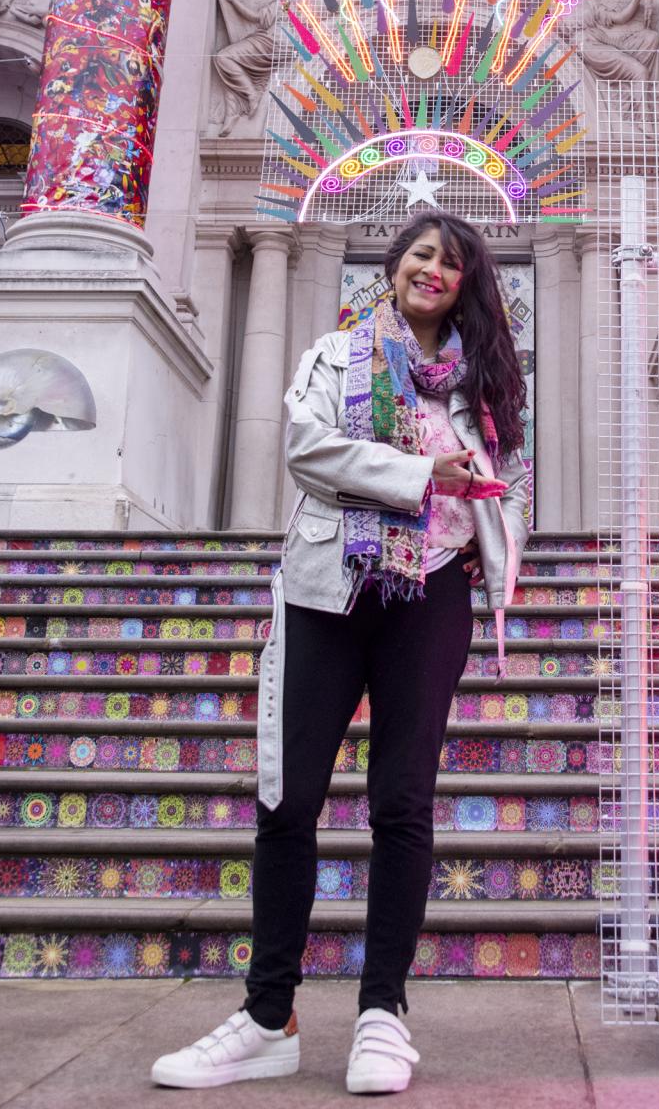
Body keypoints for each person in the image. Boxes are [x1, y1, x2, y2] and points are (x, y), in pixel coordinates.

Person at [152, 211, 530, 1095]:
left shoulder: (480, 388)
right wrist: (423, 479)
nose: (433, 271)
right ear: (393, 266)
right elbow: (306, 450)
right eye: (421, 254)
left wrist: (489, 534)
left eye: (452, 263)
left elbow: (507, 491)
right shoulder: (333, 355)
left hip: (431, 595)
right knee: (289, 802)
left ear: (468, 284)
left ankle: (381, 1015)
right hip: (326, 583)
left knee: (402, 805)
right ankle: (266, 1015)